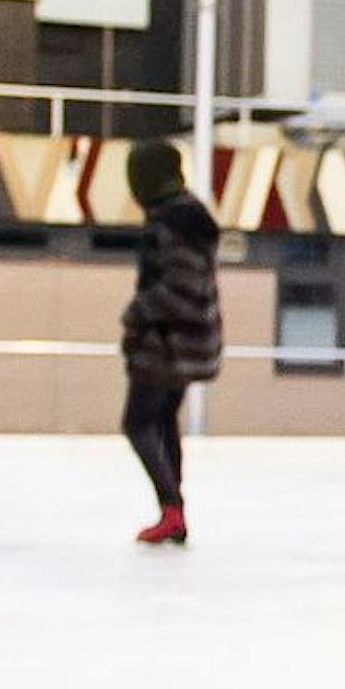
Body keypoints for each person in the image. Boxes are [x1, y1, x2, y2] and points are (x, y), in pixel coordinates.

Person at [119, 139, 223, 546]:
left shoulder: (173, 221)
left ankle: (172, 508)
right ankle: (172, 512)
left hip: (167, 342)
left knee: (138, 423)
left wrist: (135, 315)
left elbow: (180, 285)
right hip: (186, 339)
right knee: (162, 421)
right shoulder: (187, 216)